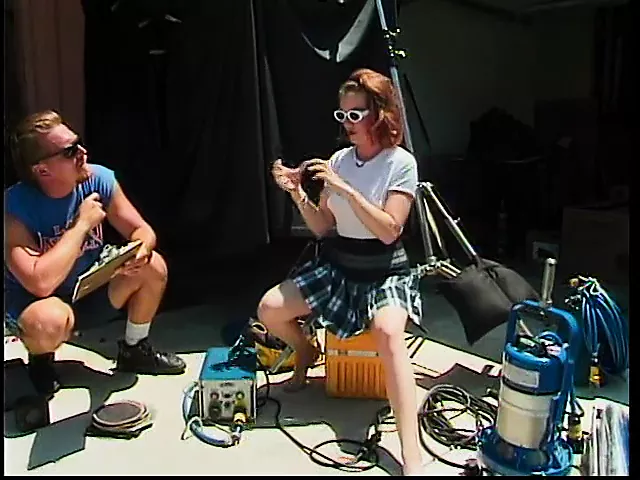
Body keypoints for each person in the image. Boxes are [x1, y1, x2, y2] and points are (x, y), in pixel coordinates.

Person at [258, 69, 425, 475]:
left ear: (379, 114)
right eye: (343, 115)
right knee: (269, 309)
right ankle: (305, 350)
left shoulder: (400, 163)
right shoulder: (338, 161)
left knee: (389, 335)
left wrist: (348, 189)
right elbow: (322, 227)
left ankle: (412, 454)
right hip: (340, 265)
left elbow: (390, 230)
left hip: (385, 271)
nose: (347, 123)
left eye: (355, 114)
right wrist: (297, 192)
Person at [4, 110, 186, 399]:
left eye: (78, 143)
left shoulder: (98, 178)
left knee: (153, 266)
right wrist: (81, 225)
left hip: (89, 290)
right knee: (46, 321)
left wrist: (138, 252)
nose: (82, 153)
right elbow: (39, 283)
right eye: (69, 151)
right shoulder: (13, 208)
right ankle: (41, 361)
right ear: (42, 170)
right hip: (40, 304)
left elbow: (141, 230)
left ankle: (135, 348)